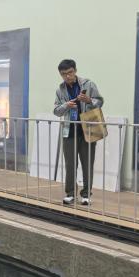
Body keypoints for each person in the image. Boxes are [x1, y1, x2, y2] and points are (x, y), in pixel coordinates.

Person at [53, 58, 104, 205]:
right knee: (70, 165)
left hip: (88, 129)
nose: (67, 76)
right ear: (60, 74)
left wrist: (89, 100)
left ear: (75, 70)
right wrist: (66, 106)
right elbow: (56, 111)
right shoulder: (60, 90)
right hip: (69, 131)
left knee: (87, 164)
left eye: (70, 72)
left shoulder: (89, 84)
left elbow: (100, 102)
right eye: (64, 74)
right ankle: (70, 194)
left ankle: (86, 195)